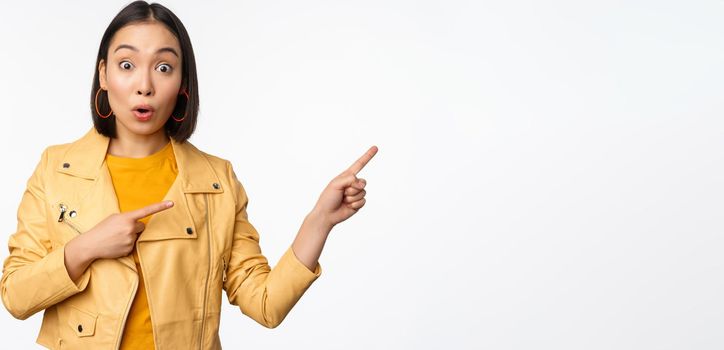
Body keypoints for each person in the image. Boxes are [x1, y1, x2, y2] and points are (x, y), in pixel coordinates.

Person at [0, 1, 377, 349]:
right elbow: (15, 297)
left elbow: (266, 305)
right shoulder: (56, 169)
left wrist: (319, 221)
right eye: (126, 65)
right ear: (103, 75)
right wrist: (86, 248)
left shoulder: (217, 181)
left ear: (182, 84)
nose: (144, 85)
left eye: (163, 67)